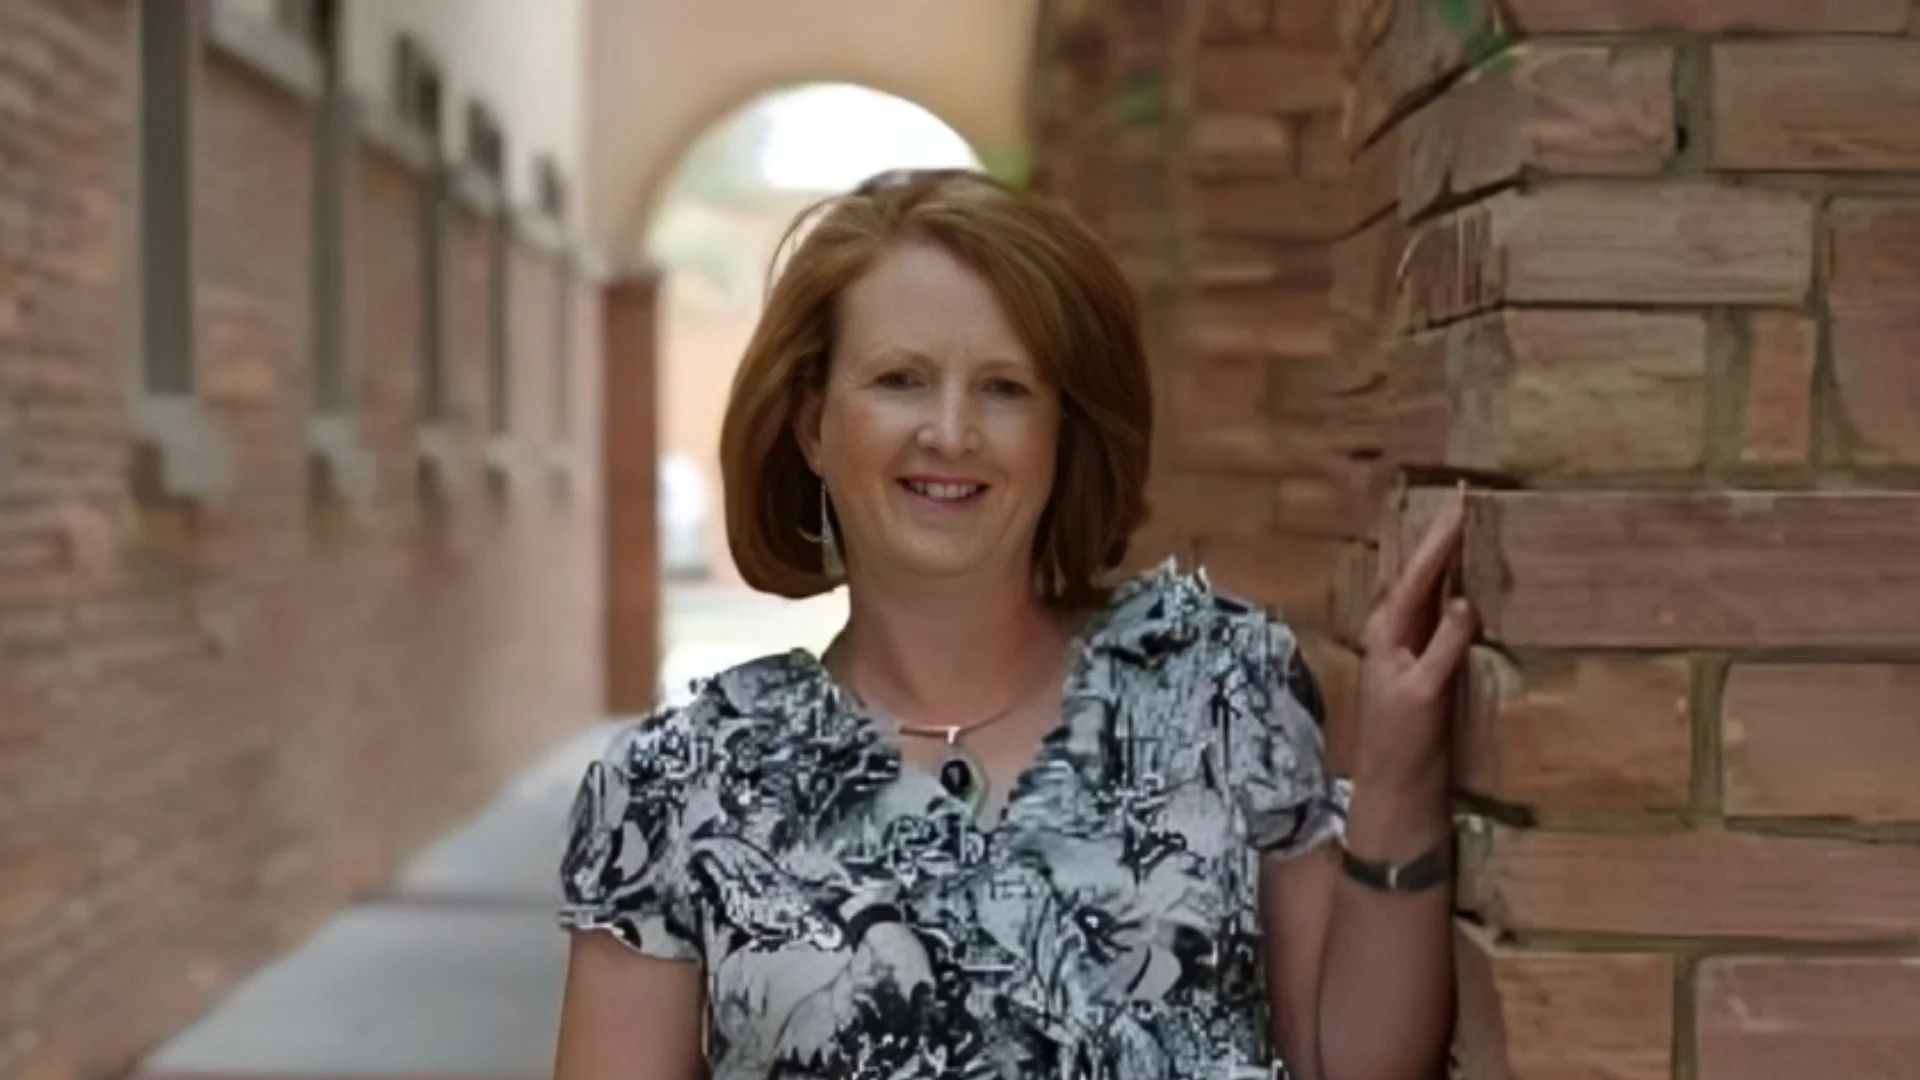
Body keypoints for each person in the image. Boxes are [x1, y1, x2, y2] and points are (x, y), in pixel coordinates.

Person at [551, 169, 1474, 1080]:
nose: (952, 433)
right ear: (812, 426)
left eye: (1004, 388)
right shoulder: (684, 788)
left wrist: (1400, 777)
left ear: (1062, 433)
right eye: (901, 380)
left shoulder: (1217, 693)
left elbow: (1351, 1063)